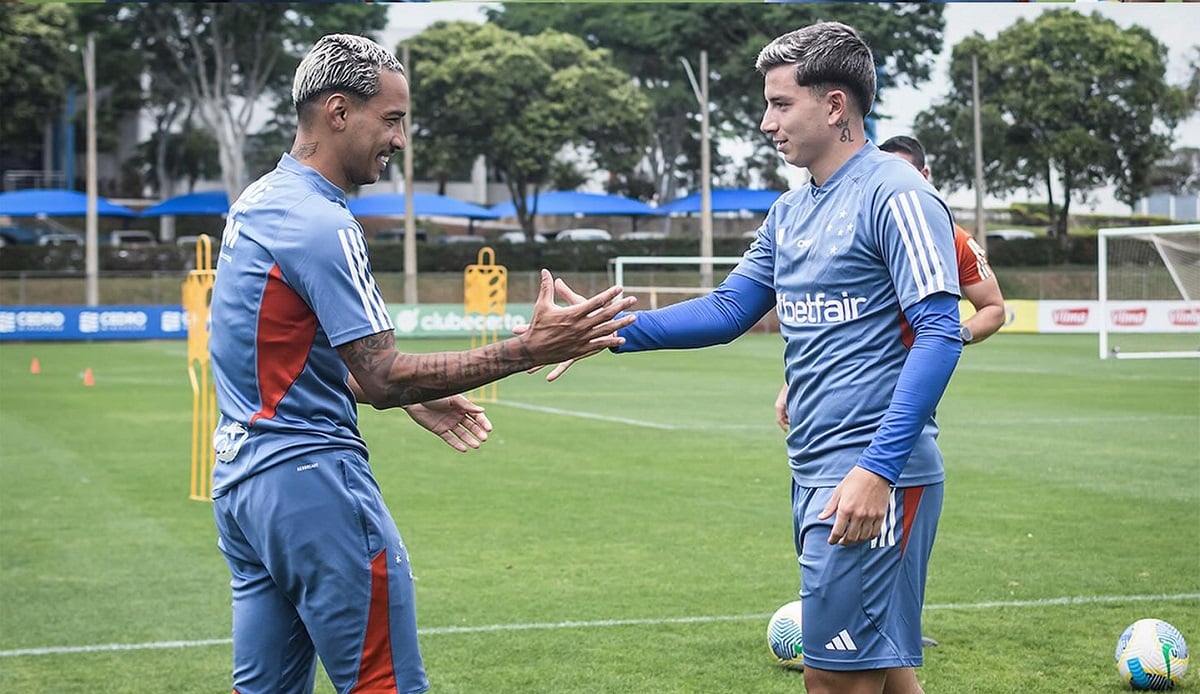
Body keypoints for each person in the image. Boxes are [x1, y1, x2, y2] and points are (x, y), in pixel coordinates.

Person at [206, 34, 636, 694]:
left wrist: (406, 392)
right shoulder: (322, 222)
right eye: (393, 119)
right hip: (312, 489)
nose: (400, 140)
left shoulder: (259, 203)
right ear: (339, 111)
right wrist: (531, 349)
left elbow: (286, 355)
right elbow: (382, 376)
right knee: (385, 684)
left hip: (244, 488)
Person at [542, 21, 961, 694]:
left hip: (872, 475)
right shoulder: (791, 212)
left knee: (832, 680)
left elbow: (940, 332)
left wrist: (877, 470)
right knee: (886, 672)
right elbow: (727, 309)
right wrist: (602, 329)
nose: (766, 122)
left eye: (780, 103)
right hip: (815, 469)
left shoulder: (897, 192)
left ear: (835, 105)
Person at [770, 134, 1006, 651]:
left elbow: (992, 309)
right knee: (874, 654)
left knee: (853, 655)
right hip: (825, 440)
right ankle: (885, 631)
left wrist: (949, 335)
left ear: (922, 178)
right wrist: (800, 378)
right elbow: (839, 323)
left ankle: (885, 627)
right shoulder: (820, 215)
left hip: (887, 429)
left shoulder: (950, 235)